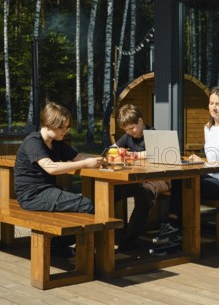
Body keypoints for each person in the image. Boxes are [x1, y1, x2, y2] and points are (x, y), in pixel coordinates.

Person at [14, 101, 102, 256]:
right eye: (62, 127)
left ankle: (59, 244)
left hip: (47, 191)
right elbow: (51, 167)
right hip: (31, 195)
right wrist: (86, 164)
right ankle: (84, 252)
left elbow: (77, 157)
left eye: (67, 127)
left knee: (84, 204)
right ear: (48, 125)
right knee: (87, 205)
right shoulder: (33, 142)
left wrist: (102, 159)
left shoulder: (57, 142)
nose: (66, 131)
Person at [168, 87, 219, 229]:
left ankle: (177, 228)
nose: (213, 108)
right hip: (212, 175)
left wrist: (205, 164)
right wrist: (201, 161)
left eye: (218, 104)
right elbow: (213, 159)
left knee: (189, 186)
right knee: (180, 180)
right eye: (211, 103)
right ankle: (175, 226)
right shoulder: (208, 128)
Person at [112, 104, 172, 251]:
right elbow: (112, 150)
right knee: (111, 191)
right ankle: (101, 234)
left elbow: (159, 153)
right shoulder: (128, 137)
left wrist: (134, 155)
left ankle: (130, 238)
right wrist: (116, 152)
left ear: (140, 121)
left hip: (159, 178)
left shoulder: (153, 134)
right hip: (136, 178)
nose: (130, 132)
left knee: (143, 194)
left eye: (132, 128)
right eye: (126, 130)